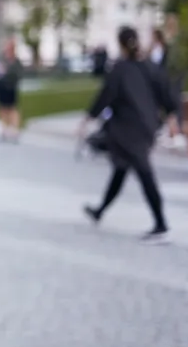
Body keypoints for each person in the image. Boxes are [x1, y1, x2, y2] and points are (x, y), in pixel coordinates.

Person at [77, 26, 180, 243]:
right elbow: (165, 93)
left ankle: (161, 223)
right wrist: (171, 118)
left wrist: (87, 119)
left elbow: (105, 96)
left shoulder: (120, 69)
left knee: (144, 173)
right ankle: (100, 210)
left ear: (120, 43)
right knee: (120, 169)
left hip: (128, 130)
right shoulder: (148, 67)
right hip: (146, 127)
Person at [0, 38, 22, 142]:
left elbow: (17, 75)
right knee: (2, 109)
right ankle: (4, 129)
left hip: (11, 88)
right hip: (2, 88)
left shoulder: (16, 61)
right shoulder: (2, 60)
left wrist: (7, 73)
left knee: (12, 109)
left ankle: (14, 130)